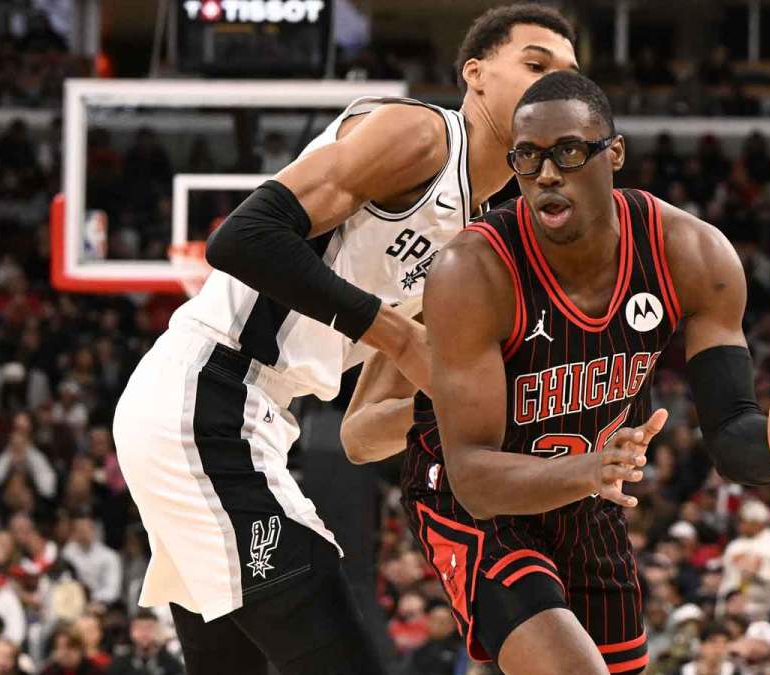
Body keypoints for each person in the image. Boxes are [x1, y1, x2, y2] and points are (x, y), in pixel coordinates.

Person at [110, 5, 578, 675]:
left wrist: (460, 410)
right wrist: (394, 333)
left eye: (568, 75)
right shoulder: (421, 135)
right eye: (536, 65)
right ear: (475, 74)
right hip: (206, 395)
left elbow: (362, 435)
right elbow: (239, 238)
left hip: (258, 419)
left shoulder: (470, 243)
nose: (553, 85)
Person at [383, 71, 770, 674]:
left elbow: (731, 432)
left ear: (613, 153)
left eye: (569, 152)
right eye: (528, 158)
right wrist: (592, 468)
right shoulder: (473, 270)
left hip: (590, 501)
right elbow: (474, 477)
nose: (546, 175)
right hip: (476, 499)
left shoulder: (691, 253)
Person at [58, 516, 121, 606]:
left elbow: (112, 590)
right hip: (74, 602)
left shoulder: (109, 556)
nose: (83, 534)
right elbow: (64, 580)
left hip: (102, 603)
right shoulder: (68, 552)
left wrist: (92, 599)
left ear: (94, 531)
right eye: (79, 530)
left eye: (85, 530)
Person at [105, 609, 184, 675]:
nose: (144, 633)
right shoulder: (119, 665)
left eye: (149, 628)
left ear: (158, 631)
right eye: (139, 628)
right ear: (131, 631)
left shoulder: (173, 665)